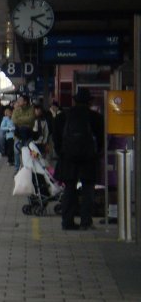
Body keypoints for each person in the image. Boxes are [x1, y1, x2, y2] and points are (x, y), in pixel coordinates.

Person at [53, 88, 104, 231]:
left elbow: (56, 138)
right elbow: (100, 139)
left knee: (69, 189)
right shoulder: (95, 117)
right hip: (88, 159)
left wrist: (61, 153)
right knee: (88, 190)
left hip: (68, 159)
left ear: (74, 100)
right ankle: (86, 222)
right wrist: (97, 154)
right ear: (89, 101)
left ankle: (67, 222)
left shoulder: (63, 116)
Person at [11, 94, 34, 171]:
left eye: (20, 100)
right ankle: (17, 169)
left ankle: (26, 168)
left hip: (28, 134)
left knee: (27, 151)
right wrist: (25, 121)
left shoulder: (31, 109)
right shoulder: (16, 110)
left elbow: (31, 119)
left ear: (25, 102)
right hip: (18, 134)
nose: (18, 101)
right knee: (16, 151)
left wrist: (20, 120)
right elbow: (14, 120)